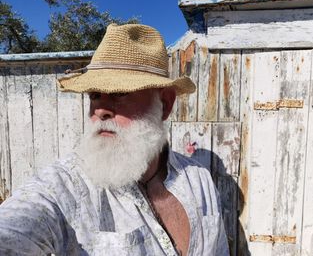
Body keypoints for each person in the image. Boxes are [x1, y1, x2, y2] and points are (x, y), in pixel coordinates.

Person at [0, 24, 229, 255]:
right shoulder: (64, 187)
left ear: (166, 104)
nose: (101, 110)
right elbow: (14, 228)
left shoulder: (199, 180)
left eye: (120, 93)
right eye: (95, 95)